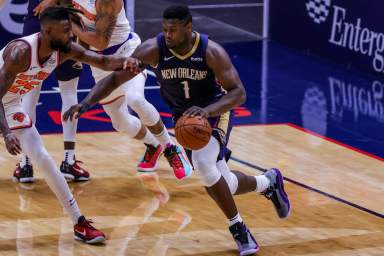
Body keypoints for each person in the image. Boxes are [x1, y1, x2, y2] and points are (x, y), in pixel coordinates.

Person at [64, 5, 292, 255]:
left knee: (205, 167)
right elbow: (114, 78)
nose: (168, 34)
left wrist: (209, 111)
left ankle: (239, 229)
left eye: (173, 30)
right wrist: (86, 103)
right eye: (165, 29)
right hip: (185, 119)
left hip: (214, 112)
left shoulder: (211, 51)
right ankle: (267, 182)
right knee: (223, 181)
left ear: (189, 27)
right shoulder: (154, 49)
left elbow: (239, 93)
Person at [0, 6, 139, 244]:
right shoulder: (20, 52)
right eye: (65, 31)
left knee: (42, 156)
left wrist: (127, 61)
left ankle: (79, 222)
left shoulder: (63, 50)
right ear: (47, 31)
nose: (70, 36)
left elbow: (103, 60)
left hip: (10, 102)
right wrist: (6, 133)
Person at [45, 0, 193, 179]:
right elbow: (80, 21)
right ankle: (154, 144)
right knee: (120, 122)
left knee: (135, 98)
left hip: (126, 52)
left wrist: (70, 26)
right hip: (99, 62)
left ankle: (171, 149)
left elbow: (100, 41)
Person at [13, 0, 90, 183]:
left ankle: (25, 163)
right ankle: (67, 161)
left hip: (46, 17)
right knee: (67, 91)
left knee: (31, 93)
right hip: (61, 18)